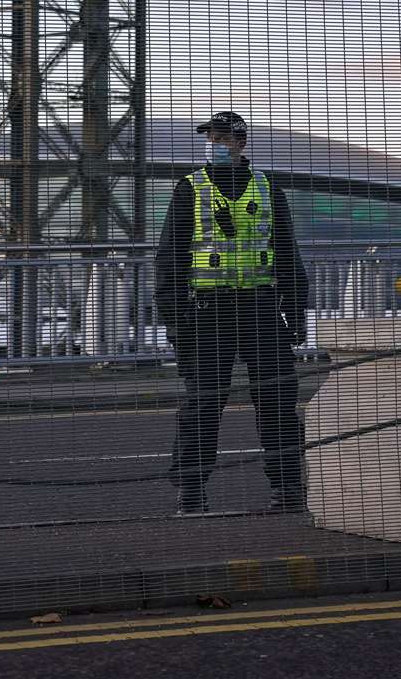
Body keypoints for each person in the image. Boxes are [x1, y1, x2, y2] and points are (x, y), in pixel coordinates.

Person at [155, 110, 310, 516]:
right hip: (208, 313)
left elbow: (288, 255)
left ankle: (287, 488)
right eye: (210, 138)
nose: (215, 145)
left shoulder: (267, 188)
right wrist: (175, 322)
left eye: (223, 138)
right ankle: (191, 493)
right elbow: (168, 260)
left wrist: (295, 316)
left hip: (260, 309)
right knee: (202, 404)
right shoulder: (189, 189)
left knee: (278, 401)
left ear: (241, 143)